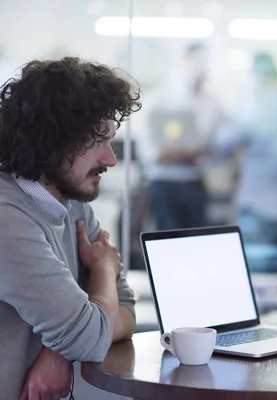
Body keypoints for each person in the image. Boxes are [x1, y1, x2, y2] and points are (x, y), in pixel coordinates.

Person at [0, 57, 141, 400]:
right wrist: (105, 269)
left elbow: (124, 310)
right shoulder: (7, 219)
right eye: (97, 142)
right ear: (49, 141)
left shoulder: (72, 203)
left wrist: (58, 349)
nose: (110, 159)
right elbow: (91, 336)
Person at [212, 52, 277, 248]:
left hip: (257, 211)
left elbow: (221, 143)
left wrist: (236, 105)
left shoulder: (251, 111)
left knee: (257, 275)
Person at [138, 43, 224, 230]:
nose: (200, 66)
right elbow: (148, 151)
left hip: (195, 182)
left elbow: (218, 149)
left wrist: (196, 153)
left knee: (195, 241)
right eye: (196, 60)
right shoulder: (161, 98)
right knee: (165, 240)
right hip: (163, 183)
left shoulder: (213, 105)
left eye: (205, 61)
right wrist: (173, 154)